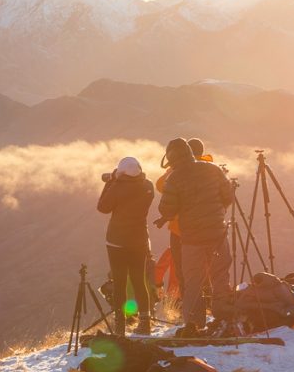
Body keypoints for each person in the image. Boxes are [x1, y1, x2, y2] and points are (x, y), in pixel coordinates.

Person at [156, 138, 234, 336]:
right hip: (217, 233)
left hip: (191, 238)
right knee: (220, 275)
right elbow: (228, 197)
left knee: (193, 281)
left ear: (172, 158)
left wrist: (167, 216)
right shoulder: (213, 169)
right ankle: (223, 315)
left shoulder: (174, 178)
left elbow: (166, 208)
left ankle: (194, 323)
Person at [97, 156, 155, 336]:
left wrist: (111, 182)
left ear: (122, 173)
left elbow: (102, 207)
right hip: (139, 240)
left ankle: (120, 325)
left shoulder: (117, 188)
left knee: (120, 283)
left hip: (117, 242)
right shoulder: (148, 186)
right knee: (139, 281)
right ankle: (145, 323)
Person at [155, 138, 213, 300]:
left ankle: (186, 303)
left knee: (182, 269)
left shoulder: (180, 172)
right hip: (208, 228)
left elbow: (160, 185)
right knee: (206, 266)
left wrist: (171, 170)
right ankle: (208, 299)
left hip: (181, 229)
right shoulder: (210, 168)